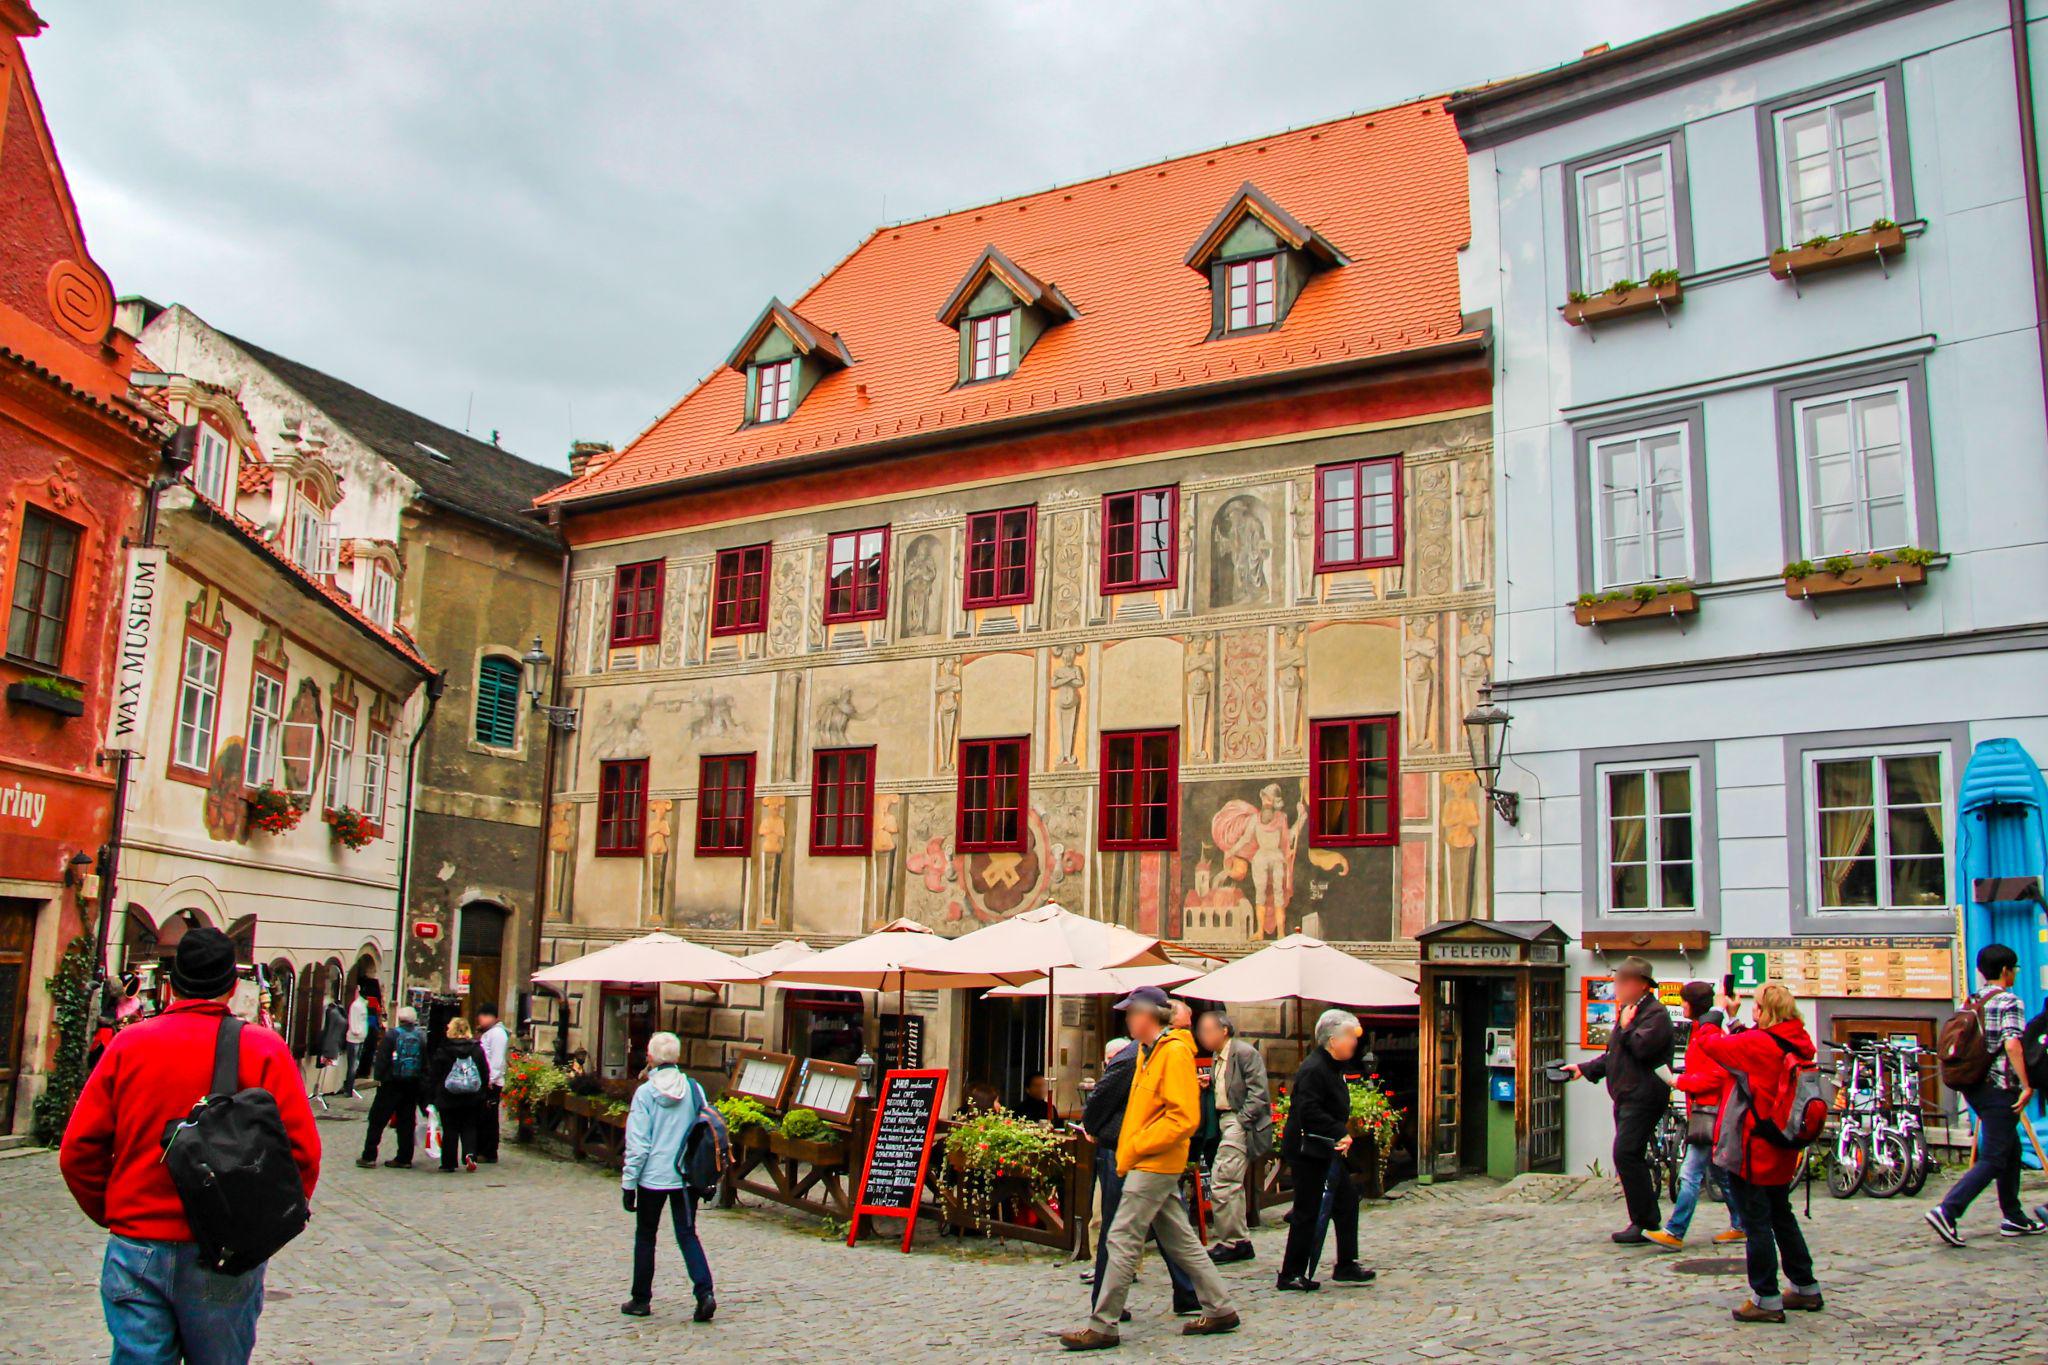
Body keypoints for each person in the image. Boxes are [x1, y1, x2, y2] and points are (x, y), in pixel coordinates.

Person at [59, 927, 320, 1364]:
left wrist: (118, 1210)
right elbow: (302, 1154)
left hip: (139, 1242)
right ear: (233, 987)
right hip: (224, 1248)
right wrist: (260, 1224)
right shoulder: (263, 1050)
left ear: (172, 982)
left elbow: (79, 1151)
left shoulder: (129, 1045)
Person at [1061, 986, 1240, 1350]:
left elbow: (1183, 1118)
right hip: (1149, 1159)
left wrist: (1137, 1144)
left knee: (1122, 1237)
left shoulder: (1171, 1053)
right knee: (1181, 1239)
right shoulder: (1149, 1052)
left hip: (1154, 1161)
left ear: (1148, 1016)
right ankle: (1220, 1308)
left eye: (1131, 1012)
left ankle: (1104, 1324)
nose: (1127, 1018)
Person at [1695, 984, 1821, 1323]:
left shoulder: (1758, 1044)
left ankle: (1766, 1297)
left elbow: (1713, 1045)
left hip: (1753, 1146)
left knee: (1756, 1222)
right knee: (1782, 1214)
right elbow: (1753, 1048)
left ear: (1764, 1011)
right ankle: (1805, 1287)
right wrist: (1736, 1020)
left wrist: (1714, 1015)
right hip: (1782, 1142)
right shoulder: (1796, 1038)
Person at [1926, 943, 2044, 1245]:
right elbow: (2012, 1044)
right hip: (1999, 1087)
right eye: (2014, 969)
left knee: (2011, 1148)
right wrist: (2026, 1084)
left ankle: (2013, 1216)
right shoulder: (2009, 1001)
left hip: (1973, 1086)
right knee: (1993, 1157)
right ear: (2006, 970)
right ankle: (1948, 1210)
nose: (2015, 974)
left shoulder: (1972, 1000)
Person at [1080, 1036, 1198, 1322]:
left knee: (1171, 1227)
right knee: (1120, 1227)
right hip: (1127, 1150)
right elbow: (1100, 1101)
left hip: (1149, 1152)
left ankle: (1194, 1295)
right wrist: (1094, 1127)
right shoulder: (1132, 1057)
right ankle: (1107, 1307)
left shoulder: (1161, 1054)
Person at [1562, 956, 1673, 1241]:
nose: (1617, 986)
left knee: (1625, 1153)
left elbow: (1642, 1049)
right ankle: (1644, 1221)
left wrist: (1625, 1028)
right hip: (1626, 1095)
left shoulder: (1655, 1014)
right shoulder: (1631, 1011)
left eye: (1622, 981)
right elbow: (1615, 1055)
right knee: (1628, 1154)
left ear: (1639, 984)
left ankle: (1646, 1222)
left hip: (1644, 1096)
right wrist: (1584, 1069)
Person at [620, 1032, 716, 1321]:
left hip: (652, 1175)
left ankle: (641, 1299)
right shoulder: (694, 1088)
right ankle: (705, 1293)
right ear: (676, 1057)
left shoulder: (646, 1093)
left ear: (650, 1058)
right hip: (685, 1175)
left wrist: (628, 1183)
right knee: (687, 1235)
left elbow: (638, 1144)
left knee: (646, 1235)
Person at [1276, 1009, 1374, 1291]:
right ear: (1333, 1040)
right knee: (1307, 1210)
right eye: (1350, 1038)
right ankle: (1290, 1272)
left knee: (1346, 1202)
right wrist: (1338, 1131)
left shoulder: (1333, 1066)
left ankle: (1346, 1264)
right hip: (1308, 1149)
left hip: (1324, 1147)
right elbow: (1307, 1110)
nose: (1355, 1044)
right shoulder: (1314, 1068)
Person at [1644, 982, 1744, 1251]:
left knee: (1690, 1174)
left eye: (1684, 1002)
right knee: (1720, 1172)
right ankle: (1741, 1224)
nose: (1681, 1006)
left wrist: (1681, 1082)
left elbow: (1717, 1075)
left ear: (1693, 1005)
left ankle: (1675, 1231)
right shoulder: (1701, 1031)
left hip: (1708, 1113)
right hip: (1705, 1111)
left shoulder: (1707, 1035)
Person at [1195, 1011, 1271, 1265]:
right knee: (1229, 1182)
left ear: (1223, 1030)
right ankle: (1238, 1239)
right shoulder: (1219, 1055)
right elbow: (1230, 1085)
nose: (1202, 1037)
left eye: (1207, 1030)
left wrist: (1241, 1121)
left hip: (1239, 1121)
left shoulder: (1244, 1053)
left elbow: (1258, 1093)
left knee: (1223, 1179)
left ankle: (1233, 1241)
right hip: (1224, 1121)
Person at [358, 1005, 428, 1169]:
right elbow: (425, 1063)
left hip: (390, 1084)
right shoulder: (421, 1037)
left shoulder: (391, 1035)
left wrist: (379, 1080)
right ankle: (404, 1157)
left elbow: (382, 1060)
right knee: (407, 1121)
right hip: (411, 1084)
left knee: (377, 1120)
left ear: (400, 1019)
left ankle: (369, 1155)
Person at [430, 1017, 489, 1174]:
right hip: (471, 1096)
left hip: (448, 1096)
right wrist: (482, 1092)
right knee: (469, 1127)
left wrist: (432, 1095)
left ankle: (449, 1163)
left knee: (450, 1129)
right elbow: (484, 1072)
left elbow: (435, 1074)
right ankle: (470, 1154)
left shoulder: (444, 1049)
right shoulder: (476, 1049)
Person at [476, 1004, 510, 1164]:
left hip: (492, 1082)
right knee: (483, 1116)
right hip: (487, 1080)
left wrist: (491, 1079)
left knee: (488, 1117)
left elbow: (497, 1060)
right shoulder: (490, 1033)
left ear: (491, 1017)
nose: (480, 1020)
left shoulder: (497, 1034)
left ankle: (489, 1151)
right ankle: (482, 1148)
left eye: (482, 1017)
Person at [316, 995, 348, 1097]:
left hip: (333, 1043)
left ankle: (322, 1090)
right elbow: (329, 1030)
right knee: (326, 1069)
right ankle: (320, 1091)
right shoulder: (335, 1013)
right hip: (332, 1043)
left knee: (327, 1070)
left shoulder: (335, 1012)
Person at [341, 988, 369, 1099]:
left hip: (360, 1038)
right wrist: (356, 1031)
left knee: (355, 1065)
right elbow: (353, 1021)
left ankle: (349, 1087)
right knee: (352, 1065)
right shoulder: (356, 1005)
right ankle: (348, 1089)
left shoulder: (362, 1005)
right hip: (354, 1039)